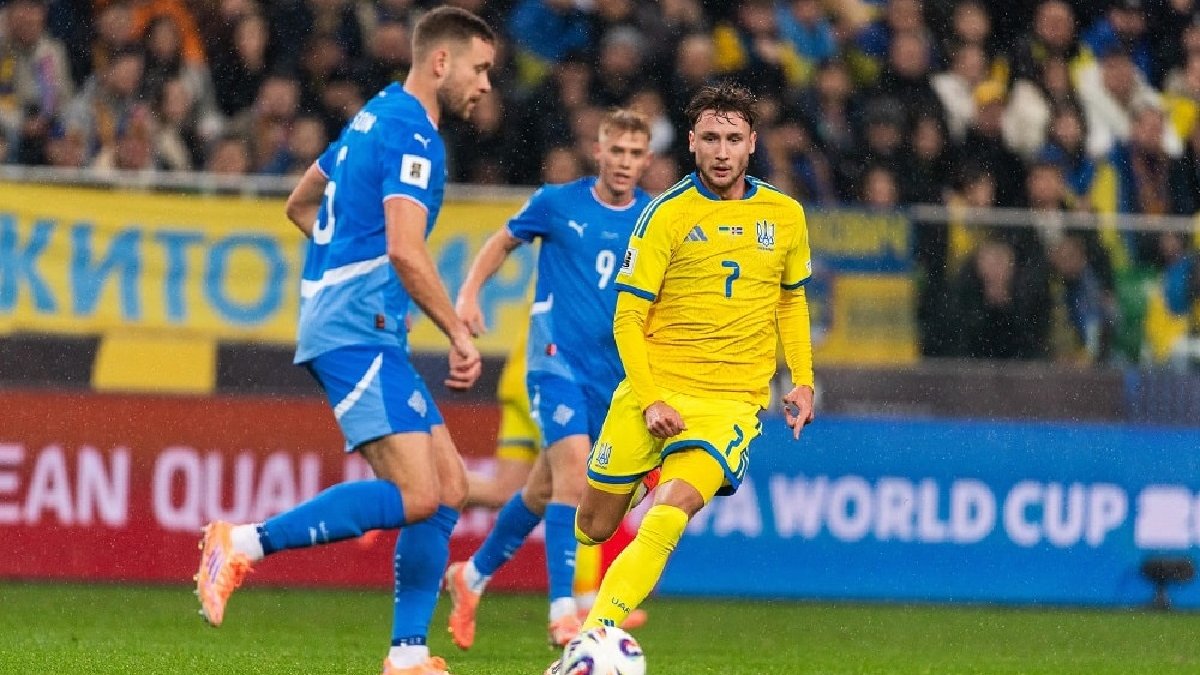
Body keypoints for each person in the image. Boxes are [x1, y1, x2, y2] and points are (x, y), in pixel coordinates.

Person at [193, 8, 495, 675]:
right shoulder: (413, 134)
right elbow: (405, 249)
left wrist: (356, 277)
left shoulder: (373, 116)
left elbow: (301, 204)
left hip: (358, 323)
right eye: (479, 69)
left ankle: (407, 654)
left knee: (448, 487)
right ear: (440, 62)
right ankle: (241, 543)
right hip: (354, 332)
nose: (485, 85)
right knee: (418, 494)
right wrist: (454, 331)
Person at [546, 81, 816, 673]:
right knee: (592, 527)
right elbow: (627, 317)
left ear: (752, 143)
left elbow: (791, 298)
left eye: (734, 139)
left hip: (730, 404)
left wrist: (802, 378)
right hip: (654, 391)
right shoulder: (664, 213)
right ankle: (646, 470)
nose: (722, 151)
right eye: (711, 138)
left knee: (667, 516)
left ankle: (586, 647)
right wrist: (649, 401)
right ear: (691, 142)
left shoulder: (785, 216)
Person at [444, 108, 656, 651]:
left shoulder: (655, 219)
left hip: (611, 377)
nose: (624, 162)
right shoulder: (557, 203)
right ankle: (564, 612)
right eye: (616, 150)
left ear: (646, 160)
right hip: (554, 360)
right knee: (573, 478)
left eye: (635, 153)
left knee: (539, 490)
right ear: (598, 151)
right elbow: (501, 241)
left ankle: (472, 576)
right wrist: (468, 295)